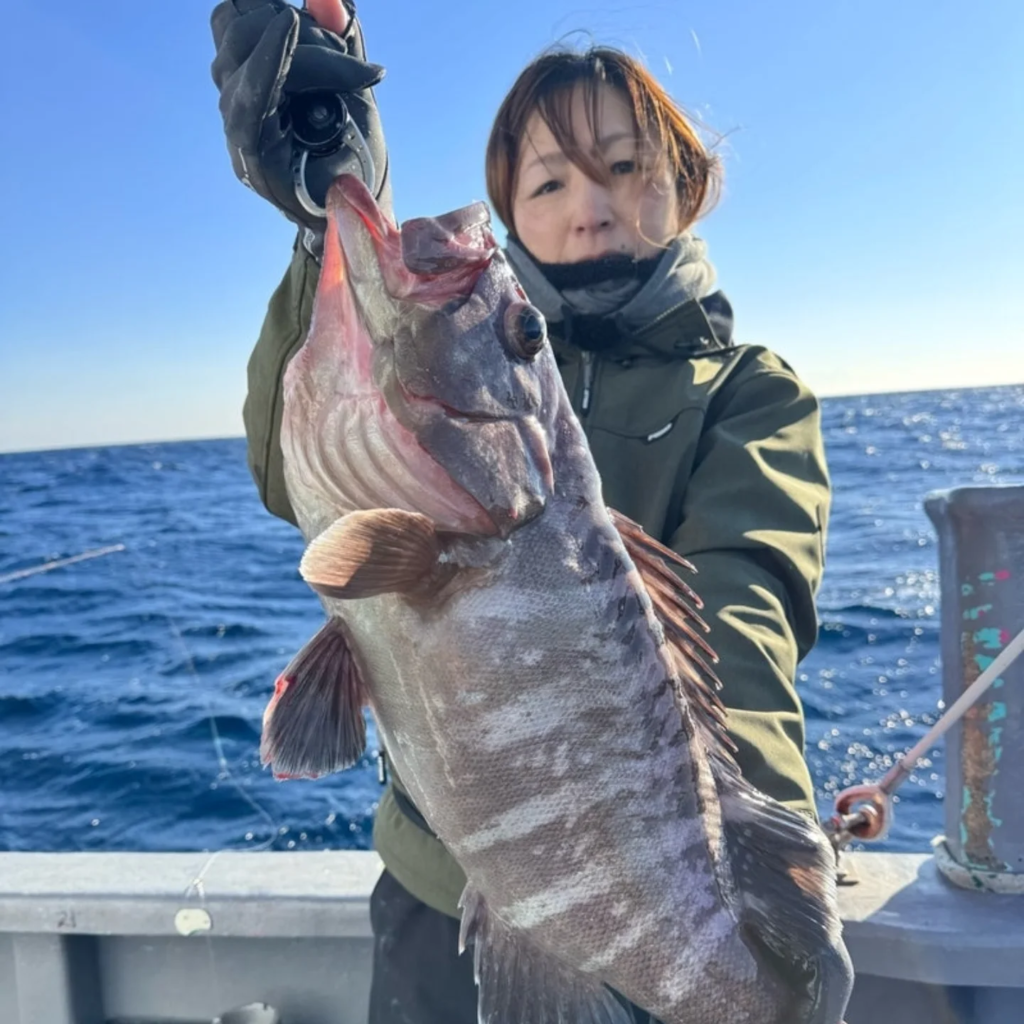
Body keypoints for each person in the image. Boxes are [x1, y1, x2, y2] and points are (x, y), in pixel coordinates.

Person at [211, 2, 832, 1021]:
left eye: (625, 166)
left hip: (664, 907)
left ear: (687, 185)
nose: (590, 202)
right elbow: (296, 462)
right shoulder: (465, 351)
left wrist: (748, 887)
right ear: (510, 210)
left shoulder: (748, 392)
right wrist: (324, 220)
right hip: (433, 894)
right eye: (549, 181)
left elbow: (742, 615)